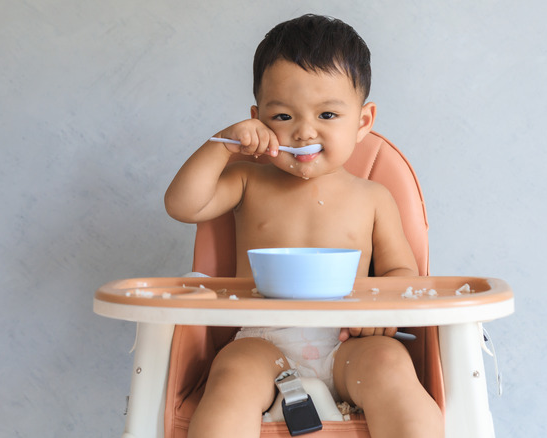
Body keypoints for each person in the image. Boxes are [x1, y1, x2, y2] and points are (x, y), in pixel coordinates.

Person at [164, 14, 443, 438]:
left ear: (363, 122)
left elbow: (401, 275)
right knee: (232, 376)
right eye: (282, 117)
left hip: (350, 343)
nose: (303, 131)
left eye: (328, 114)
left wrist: (380, 315)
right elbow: (182, 205)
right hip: (262, 340)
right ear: (257, 118)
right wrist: (224, 144)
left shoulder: (373, 197)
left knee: (391, 366)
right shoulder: (247, 179)